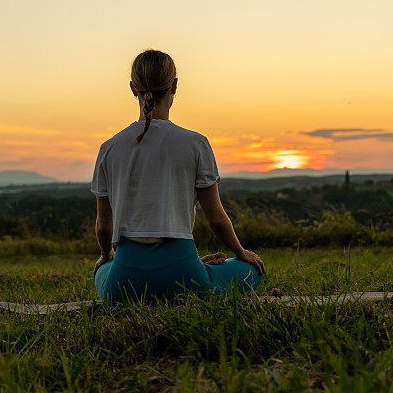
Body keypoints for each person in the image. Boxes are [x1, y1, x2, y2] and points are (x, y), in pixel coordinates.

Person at [91, 49, 265, 303]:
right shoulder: (195, 143)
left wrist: (107, 255)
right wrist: (240, 252)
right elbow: (215, 218)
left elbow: (104, 224)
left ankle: (186, 267)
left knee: (102, 271)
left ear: (133, 88)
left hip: (125, 286)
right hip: (184, 277)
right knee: (252, 270)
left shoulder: (109, 148)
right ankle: (196, 267)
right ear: (174, 86)